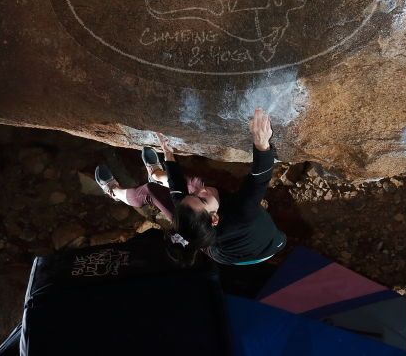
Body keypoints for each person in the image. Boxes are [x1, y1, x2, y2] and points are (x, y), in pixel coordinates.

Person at [94, 108, 286, 266]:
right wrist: (261, 143)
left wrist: (168, 155)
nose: (201, 191)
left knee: (160, 190)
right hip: (262, 247)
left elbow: (179, 193)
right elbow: (259, 178)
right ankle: (116, 193)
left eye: (193, 195)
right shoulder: (243, 212)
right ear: (214, 218)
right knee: (167, 189)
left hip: (244, 244)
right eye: (201, 198)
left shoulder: (192, 211)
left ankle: (149, 178)